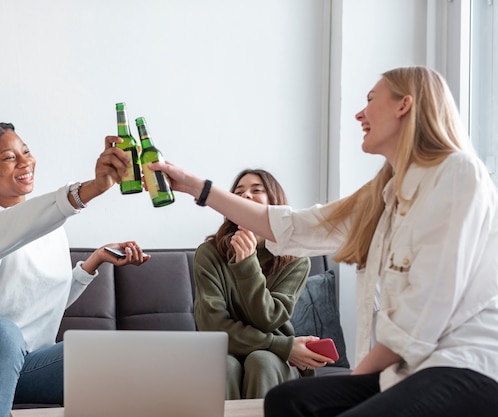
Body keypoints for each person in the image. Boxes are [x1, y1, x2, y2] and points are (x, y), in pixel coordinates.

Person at [149, 66, 498, 416]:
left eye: (370, 100)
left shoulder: (457, 173)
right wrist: (196, 186)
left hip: (464, 364)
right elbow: (296, 226)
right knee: (286, 400)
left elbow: (425, 310)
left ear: (403, 106)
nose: (359, 113)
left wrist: (357, 379)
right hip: (408, 369)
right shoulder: (384, 193)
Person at [0, 122, 150, 417]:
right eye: (9, 157)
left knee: (104, 351)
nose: (25, 161)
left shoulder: (51, 228)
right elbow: (12, 226)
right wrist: (91, 189)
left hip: (25, 365)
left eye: (25, 152)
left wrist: (95, 261)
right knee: (2, 332)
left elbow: (44, 302)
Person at [194, 168, 334, 400]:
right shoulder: (209, 254)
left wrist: (246, 264)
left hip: (272, 361)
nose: (246, 195)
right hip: (234, 351)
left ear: (274, 203)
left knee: (262, 361)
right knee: (223, 365)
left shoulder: (295, 259)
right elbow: (212, 326)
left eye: (256, 190)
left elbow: (268, 318)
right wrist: (284, 346)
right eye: (238, 192)